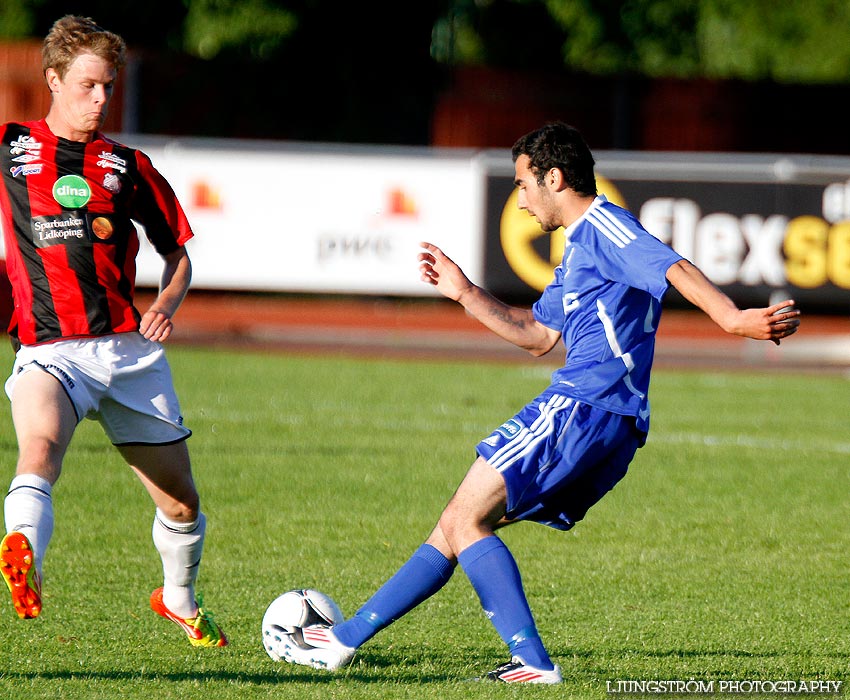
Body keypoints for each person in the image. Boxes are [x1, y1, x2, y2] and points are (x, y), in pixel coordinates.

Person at [279, 122, 800, 683]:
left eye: (525, 184)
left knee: (463, 520)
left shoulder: (604, 225)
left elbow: (669, 265)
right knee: (457, 525)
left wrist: (731, 318)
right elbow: (536, 336)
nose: (521, 198)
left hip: (585, 405)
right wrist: (464, 292)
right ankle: (345, 639)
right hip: (604, 418)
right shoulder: (579, 249)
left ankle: (528, 661)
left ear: (554, 177)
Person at [0, 15, 226, 647]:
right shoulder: (9, 149)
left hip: (129, 354)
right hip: (50, 353)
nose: (102, 100)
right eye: (88, 86)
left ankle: (177, 598)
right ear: (52, 79)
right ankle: (25, 561)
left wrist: (167, 304)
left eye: (109, 87)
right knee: (39, 449)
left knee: (181, 503)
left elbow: (177, 254)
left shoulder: (127, 166)